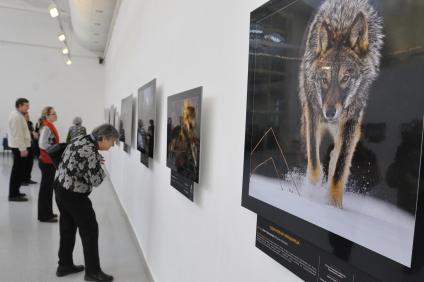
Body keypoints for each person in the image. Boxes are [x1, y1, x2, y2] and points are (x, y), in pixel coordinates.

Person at [54, 124, 117, 281]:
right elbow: (97, 180)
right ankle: (93, 272)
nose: (113, 145)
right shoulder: (89, 152)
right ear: (102, 139)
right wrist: (96, 164)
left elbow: (77, 159)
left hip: (60, 187)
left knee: (67, 228)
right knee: (90, 231)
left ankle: (64, 265)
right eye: (112, 141)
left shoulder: (81, 139)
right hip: (74, 195)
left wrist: (94, 159)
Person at [38, 106, 60, 223]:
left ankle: (48, 213)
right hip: (46, 161)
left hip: (49, 161)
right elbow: (42, 144)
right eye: (53, 114)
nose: (56, 115)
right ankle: (44, 216)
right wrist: (55, 148)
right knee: (45, 189)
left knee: (48, 188)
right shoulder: (47, 127)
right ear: (47, 116)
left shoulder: (48, 125)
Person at [7, 98, 31, 202]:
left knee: (19, 171)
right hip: (18, 148)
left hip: (19, 147)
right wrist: (22, 149)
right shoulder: (16, 117)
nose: (28, 107)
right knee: (16, 172)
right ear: (19, 106)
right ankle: (13, 195)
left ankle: (16, 192)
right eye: (26, 105)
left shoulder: (17, 115)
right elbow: (18, 135)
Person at [22, 112, 38, 185]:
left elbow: (33, 132)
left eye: (28, 116)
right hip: (24, 145)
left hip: (31, 145)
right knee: (23, 164)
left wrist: (34, 133)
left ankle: (28, 179)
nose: (28, 117)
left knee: (30, 163)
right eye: (26, 116)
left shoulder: (30, 123)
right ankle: (22, 180)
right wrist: (31, 133)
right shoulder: (21, 124)